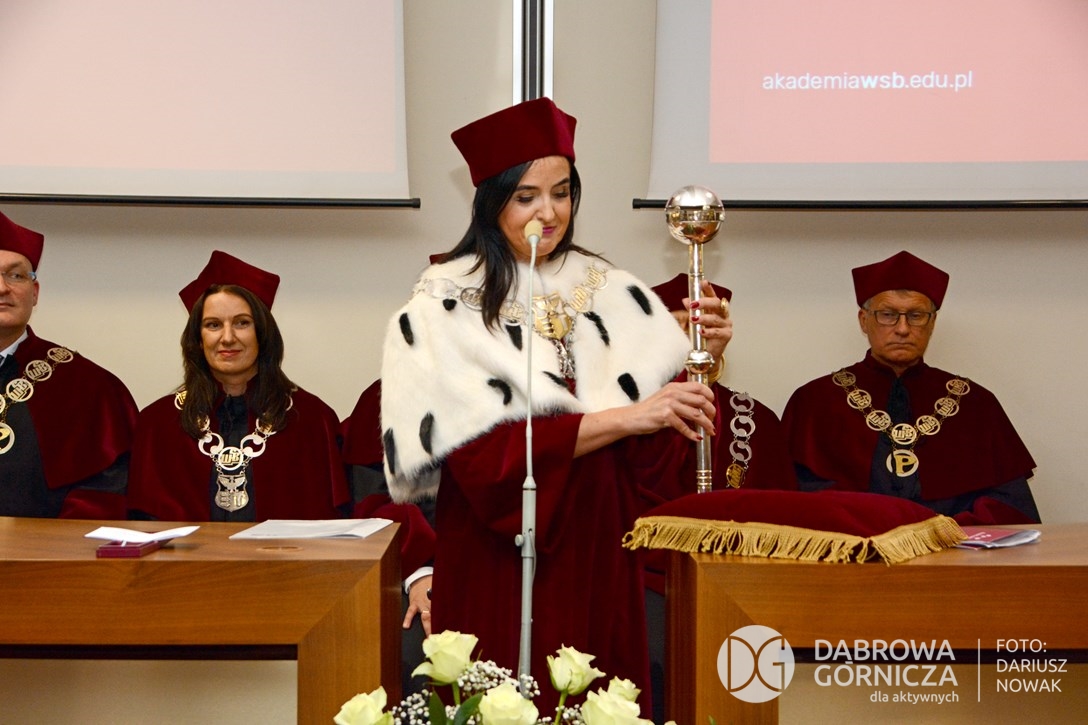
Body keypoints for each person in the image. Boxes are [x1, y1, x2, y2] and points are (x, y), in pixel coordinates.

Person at [378, 98, 725, 714]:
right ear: (491, 203)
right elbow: (482, 462)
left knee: (600, 701)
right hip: (496, 555)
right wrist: (624, 417)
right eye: (527, 197)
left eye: (562, 193)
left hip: (600, 546)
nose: (550, 212)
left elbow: (653, 459)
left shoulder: (607, 289)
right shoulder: (443, 303)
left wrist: (694, 365)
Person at [782, 250, 1039, 525]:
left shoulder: (976, 404)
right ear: (864, 320)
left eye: (916, 315)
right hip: (852, 549)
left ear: (932, 323)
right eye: (887, 314)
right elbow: (795, 505)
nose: (903, 329)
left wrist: (944, 532)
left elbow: (1010, 508)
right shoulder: (814, 401)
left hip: (953, 548)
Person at [127, 250, 350, 521]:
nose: (228, 338)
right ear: (198, 339)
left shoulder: (313, 420)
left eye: (242, 323)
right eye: (213, 325)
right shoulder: (158, 424)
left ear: (263, 333)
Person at [0, 210, 138, 519]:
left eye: (16, 275)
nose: (2, 288)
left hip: (42, 549)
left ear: (35, 293)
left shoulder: (88, 387)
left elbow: (107, 494)